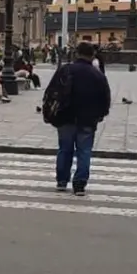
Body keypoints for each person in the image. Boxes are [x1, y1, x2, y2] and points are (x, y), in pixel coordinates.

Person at [41, 41, 111, 196]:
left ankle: (61, 181)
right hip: (87, 119)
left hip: (65, 116)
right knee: (84, 151)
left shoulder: (66, 70)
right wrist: (101, 114)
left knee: (65, 149)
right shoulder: (97, 74)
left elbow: (51, 91)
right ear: (92, 55)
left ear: (76, 53)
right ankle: (79, 185)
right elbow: (105, 98)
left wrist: (50, 112)